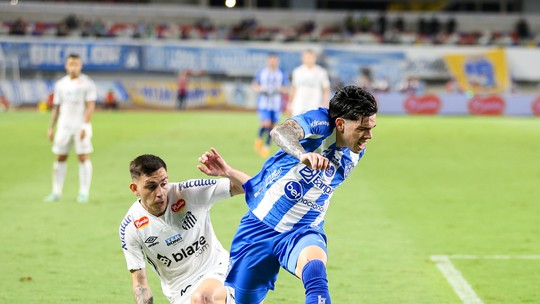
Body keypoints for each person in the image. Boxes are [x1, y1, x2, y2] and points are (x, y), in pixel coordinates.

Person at [225, 85, 378, 304]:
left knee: (315, 271)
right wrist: (303, 154)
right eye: (363, 128)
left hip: (304, 229)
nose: (369, 135)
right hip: (261, 225)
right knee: (243, 300)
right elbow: (280, 132)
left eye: (372, 127)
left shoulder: (356, 149)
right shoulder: (322, 122)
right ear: (341, 123)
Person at [119, 148, 250, 304]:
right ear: (135, 189)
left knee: (202, 298)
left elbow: (251, 186)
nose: (160, 192)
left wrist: (227, 171)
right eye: (151, 187)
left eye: (164, 183)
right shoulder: (131, 226)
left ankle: (247, 292)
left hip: (218, 270)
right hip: (180, 294)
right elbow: (140, 282)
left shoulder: (189, 193)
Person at [44, 53, 97, 203]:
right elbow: (56, 107)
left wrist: (85, 126)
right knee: (60, 157)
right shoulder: (60, 84)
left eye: (76, 64)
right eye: (70, 64)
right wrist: (50, 127)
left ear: (80, 66)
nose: (73, 67)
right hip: (64, 127)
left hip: (80, 126)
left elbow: (90, 106)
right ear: (66, 66)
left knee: (83, 156)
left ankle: (83, 193)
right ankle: (56, 192)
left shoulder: (87, 83)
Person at [252, 53, 290, 158]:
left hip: (276, 104)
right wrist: (259, 89)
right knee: (266, 124)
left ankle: (266, 147)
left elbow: (287, 87)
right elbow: (254, 84)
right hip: (264, 103)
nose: (273, 62)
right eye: (271, 60)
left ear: (277, 61)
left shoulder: (282, 73)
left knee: (273, 127)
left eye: (275, 60)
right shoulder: (262, 72)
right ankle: (259, 139)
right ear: (268, 61)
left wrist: (281, 89)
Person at [288, 49, 330, 117]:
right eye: (307, 57)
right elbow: (293, 88)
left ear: (315, 58)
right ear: (303, 58)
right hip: (299, 105)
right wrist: (290, 104)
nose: (308, 59)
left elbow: (326, 90)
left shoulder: (321, 72)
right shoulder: (297, 71)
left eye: (310, 57)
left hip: (315, 105)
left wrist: (326, 105)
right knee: (297, 126)